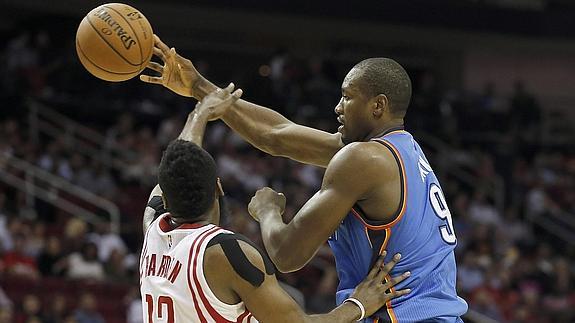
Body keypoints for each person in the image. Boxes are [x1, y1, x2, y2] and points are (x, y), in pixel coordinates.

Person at [141, 35, 468, 322]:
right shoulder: (400, 151)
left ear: (378, 106)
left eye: (348, 97)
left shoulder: (362, 159)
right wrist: (199, 87)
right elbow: (277, 135)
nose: (338, 107)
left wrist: (268, 212)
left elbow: (286, 255)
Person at [140, 85, 410, 322]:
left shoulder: (152, 228)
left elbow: (176, 167)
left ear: (164, 197)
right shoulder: (225, 251)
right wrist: (359, 305)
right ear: (218, 187)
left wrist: (198, 115)